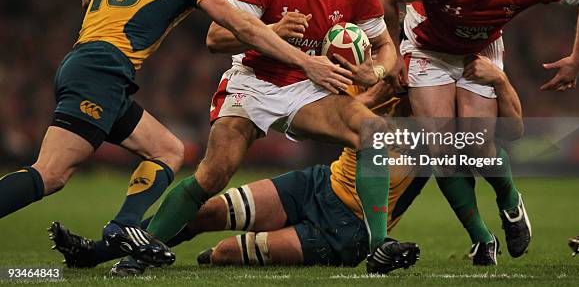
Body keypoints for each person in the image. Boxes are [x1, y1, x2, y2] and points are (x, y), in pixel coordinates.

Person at [0, 0, 351, 264]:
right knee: (52, 173)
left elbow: (93, 0)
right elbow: (238, 26)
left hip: (85, 64)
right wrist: (304, 61)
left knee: (169, 149)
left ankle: (123, 226)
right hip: (102, 72)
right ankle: (122, 229)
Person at [108, 0, 399, 276]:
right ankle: (137, 257)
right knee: (214, 174)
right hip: (255, 83)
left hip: (307, 87)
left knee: (372, 134)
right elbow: (216, 38)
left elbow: (386, 46)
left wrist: (374, 73)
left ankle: (379, 247)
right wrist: (274, 31)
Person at [50, 55, 523, 270]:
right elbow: (367, 94)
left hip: (347, 229)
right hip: (316, 184)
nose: (415, 80)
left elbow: (472, 165)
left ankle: (200, 257)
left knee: (226, 252)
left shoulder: (439, 130)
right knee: (203, 211)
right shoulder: (384, 97)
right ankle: (100, 252)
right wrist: (382, 82)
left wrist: (485, 234)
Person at [376, 0, 579, 261]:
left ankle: (510, 202)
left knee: (477, 146)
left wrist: (577, 60)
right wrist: (391, 54)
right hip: (427, 48)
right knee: (439, 148)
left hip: (479, 50)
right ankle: (483, 238)